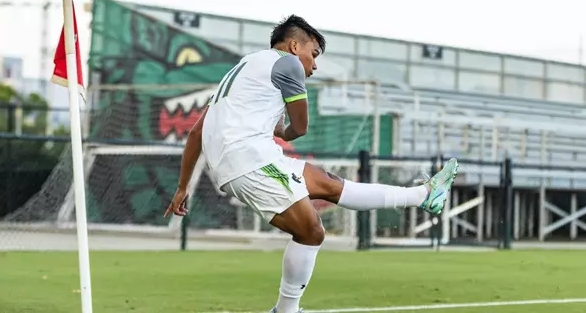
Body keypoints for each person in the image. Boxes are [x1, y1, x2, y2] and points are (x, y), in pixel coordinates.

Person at [164, 15, 458, 313]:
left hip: (246, 160)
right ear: (293, 46)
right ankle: (286, 311)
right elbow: (300, 127)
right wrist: (282, 131)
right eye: (313, 54)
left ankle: (424, 196)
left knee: (327, 182)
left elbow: (197, 132)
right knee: (311, 232)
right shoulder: (287, 64)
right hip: (250, 161)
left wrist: (181, 187)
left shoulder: (242, 69)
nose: (314, 65)